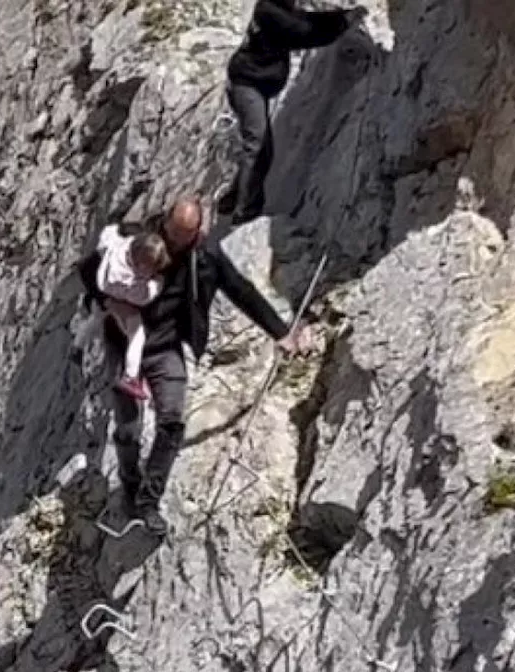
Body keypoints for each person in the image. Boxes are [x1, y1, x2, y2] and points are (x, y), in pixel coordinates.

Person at [80, 197, 311, 533]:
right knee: (128, 430)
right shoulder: (136, 238)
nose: (174, 241)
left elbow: (239, 290)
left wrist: (281, 333)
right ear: (165, 222)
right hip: (124, 343)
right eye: (172, 232)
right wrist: (106, 301)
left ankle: (148, 502)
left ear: (196, 233)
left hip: (166, 347)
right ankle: (130, 484)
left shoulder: (203, 259)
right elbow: (88, 269)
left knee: (172, 422)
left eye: (182, 236)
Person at [216, 0, 367, 225]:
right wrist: (343, 22)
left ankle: (233, 198)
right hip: (245, 84)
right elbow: (304, 32)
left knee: (261, 148)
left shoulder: (275, 7)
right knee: (257, 145)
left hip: (253, 84)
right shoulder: (270, 12)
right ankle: (245, 211)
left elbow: (305, 21)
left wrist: (342, 17)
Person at [84, 225, 170, 400]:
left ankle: (78, 346)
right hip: (116, 297)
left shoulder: (121, 246)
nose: (154, 272)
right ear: (141, 266)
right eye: (151, 269)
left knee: (96, 317)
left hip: (103, 288)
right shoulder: (129, 281)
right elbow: (143, 299)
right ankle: (130, 377)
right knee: (136, 334)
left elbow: (107, 233)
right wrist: (157, 283)